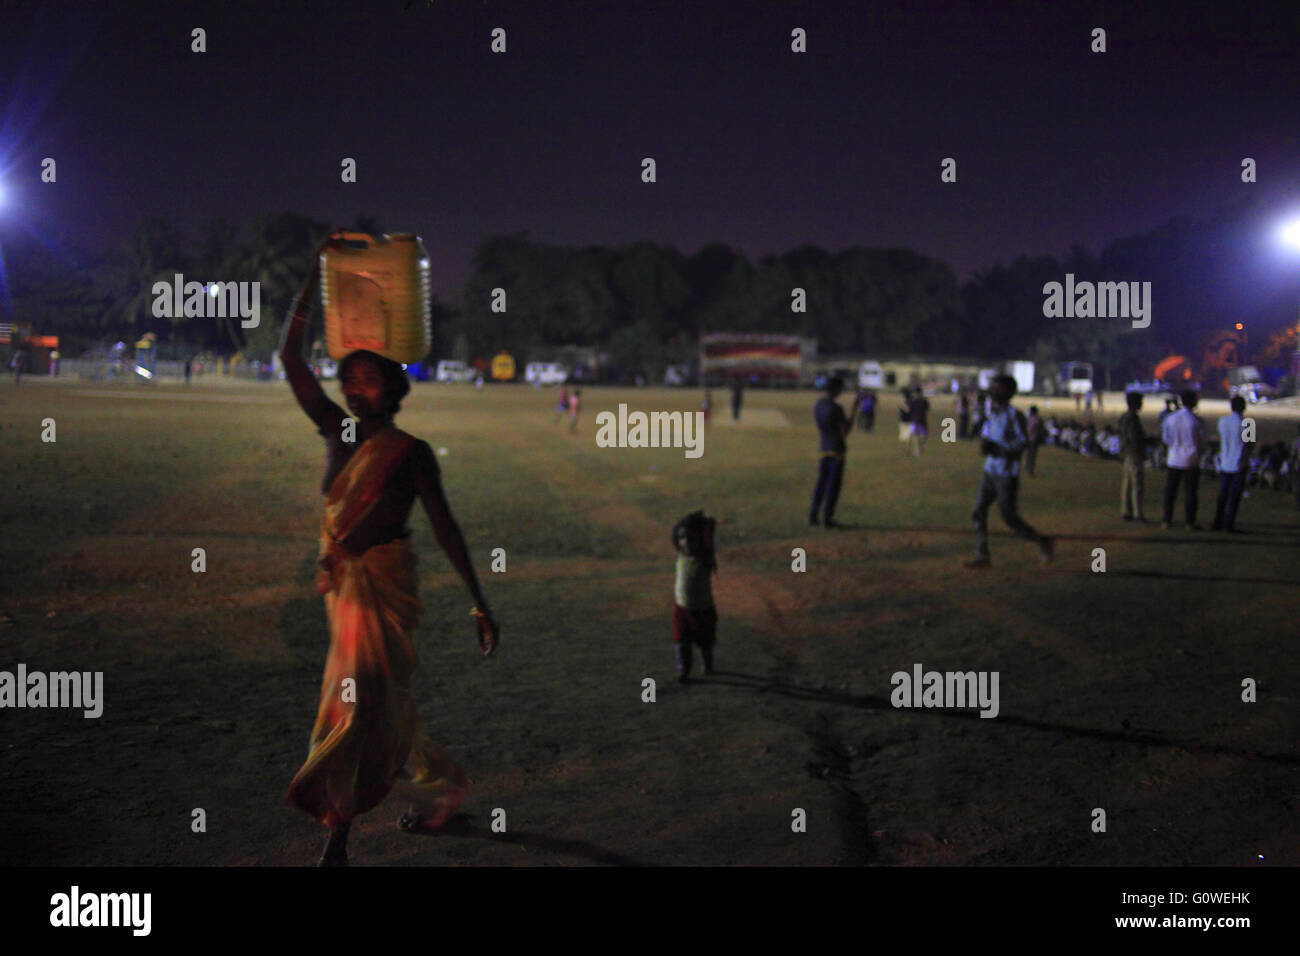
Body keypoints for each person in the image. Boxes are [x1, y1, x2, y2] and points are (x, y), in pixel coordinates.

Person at [279, 235, 498, 867]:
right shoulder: (337, 431)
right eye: (353, 376)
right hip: (346, 593)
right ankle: (436, 791)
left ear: (392, 390)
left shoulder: (411, 453)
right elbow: (291, 360)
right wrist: (311, 278)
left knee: (359, 705)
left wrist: (480, 605)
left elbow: (448, 530)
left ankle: (338, 835)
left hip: (386, 590)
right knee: (377, 705)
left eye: (371, 377)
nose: (357, 384)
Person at [964, 375, 1054, 568]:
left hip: (1006, 475)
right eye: (992, 388)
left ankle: (1042, 541)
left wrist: (999, 449)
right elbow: (988, 437)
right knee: (978, 511)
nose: (993, 392)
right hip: (990, 471)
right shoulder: (993, 414)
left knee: (1009, 518)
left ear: (1009, 392)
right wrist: (985, 446)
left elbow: (1023, 444)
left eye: (998, 389)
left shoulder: (1015, 416)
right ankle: (982, 555)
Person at [810, 376, 863, 527]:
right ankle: (828, 518)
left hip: (823, 447)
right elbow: (845, 432)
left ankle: (813, 515)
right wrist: (854, 410)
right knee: (833, 486)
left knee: (821, 484)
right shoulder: (836, 408)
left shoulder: (819, 404)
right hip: (837, 450)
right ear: (835, 389)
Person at [671, 510, 717, 683]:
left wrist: (708, 530)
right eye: (683, 538)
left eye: (691, 538)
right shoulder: (681, 555)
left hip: (703, 610)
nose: (687, 542)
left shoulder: (705, 559)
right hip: (681, 609)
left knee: (705, 642)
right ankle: (684, 671)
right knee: (681, 642)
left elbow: (709, 544)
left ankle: (708, 664)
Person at [1160, 389, 1207, 530]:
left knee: (1170, 492)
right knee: (1190, 493)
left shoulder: (1171, 418)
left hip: (1174, 458)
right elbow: (1202, 442)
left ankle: (1167, 520)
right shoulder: (1197, 421)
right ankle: (1190, 522)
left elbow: (1165, 438)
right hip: (1191, 460)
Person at [1212, 396, 1248, 533]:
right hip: (1239, 464)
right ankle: (1229, 524)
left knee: (1223, 495)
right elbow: (1250, 445)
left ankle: (1217, 522)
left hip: (1225, 462)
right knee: (1234, 497)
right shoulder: (1247, 423)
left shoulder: (1222, 421)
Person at [1117, 391, 1147, 522]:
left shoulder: (1124, 416)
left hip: (1126, 452)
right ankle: (1137, 513)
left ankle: (1126, 510)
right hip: (1134, 452)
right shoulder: (1133, 418)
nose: (1142, 404)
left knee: (1127, 483)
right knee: (1137, 485)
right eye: (1140, 402)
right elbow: (1133, 436)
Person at [907, 388, 930, 457]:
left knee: (921, 436)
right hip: (916, 421)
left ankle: (918, 449)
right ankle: (917, 450)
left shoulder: (922, 401)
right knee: (916, 436)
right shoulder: (918, 401)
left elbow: (909, 410)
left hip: (920, 420)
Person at [1024, 405, 1045, 476]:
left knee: (1029, 455)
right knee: (1032, 455)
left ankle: (1027, 467)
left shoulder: (1028, 418)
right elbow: (1039, 429)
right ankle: (1030, 470)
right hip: (1034, 439)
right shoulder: (1037, 419)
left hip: (1028, 439)